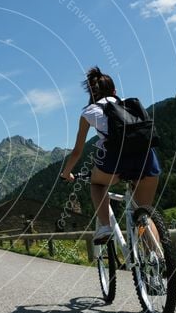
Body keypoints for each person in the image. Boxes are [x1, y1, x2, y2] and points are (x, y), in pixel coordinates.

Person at [60, 66, 162, 244]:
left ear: (92, 94)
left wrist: (66, 173)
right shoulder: (131, 104)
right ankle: (158, 261)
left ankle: (105, 227)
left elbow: (77, 151)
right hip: (147, 158)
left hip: (114, 161)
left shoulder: (89, 112)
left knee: (97, 184)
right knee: (144, 212)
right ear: (114, 90)